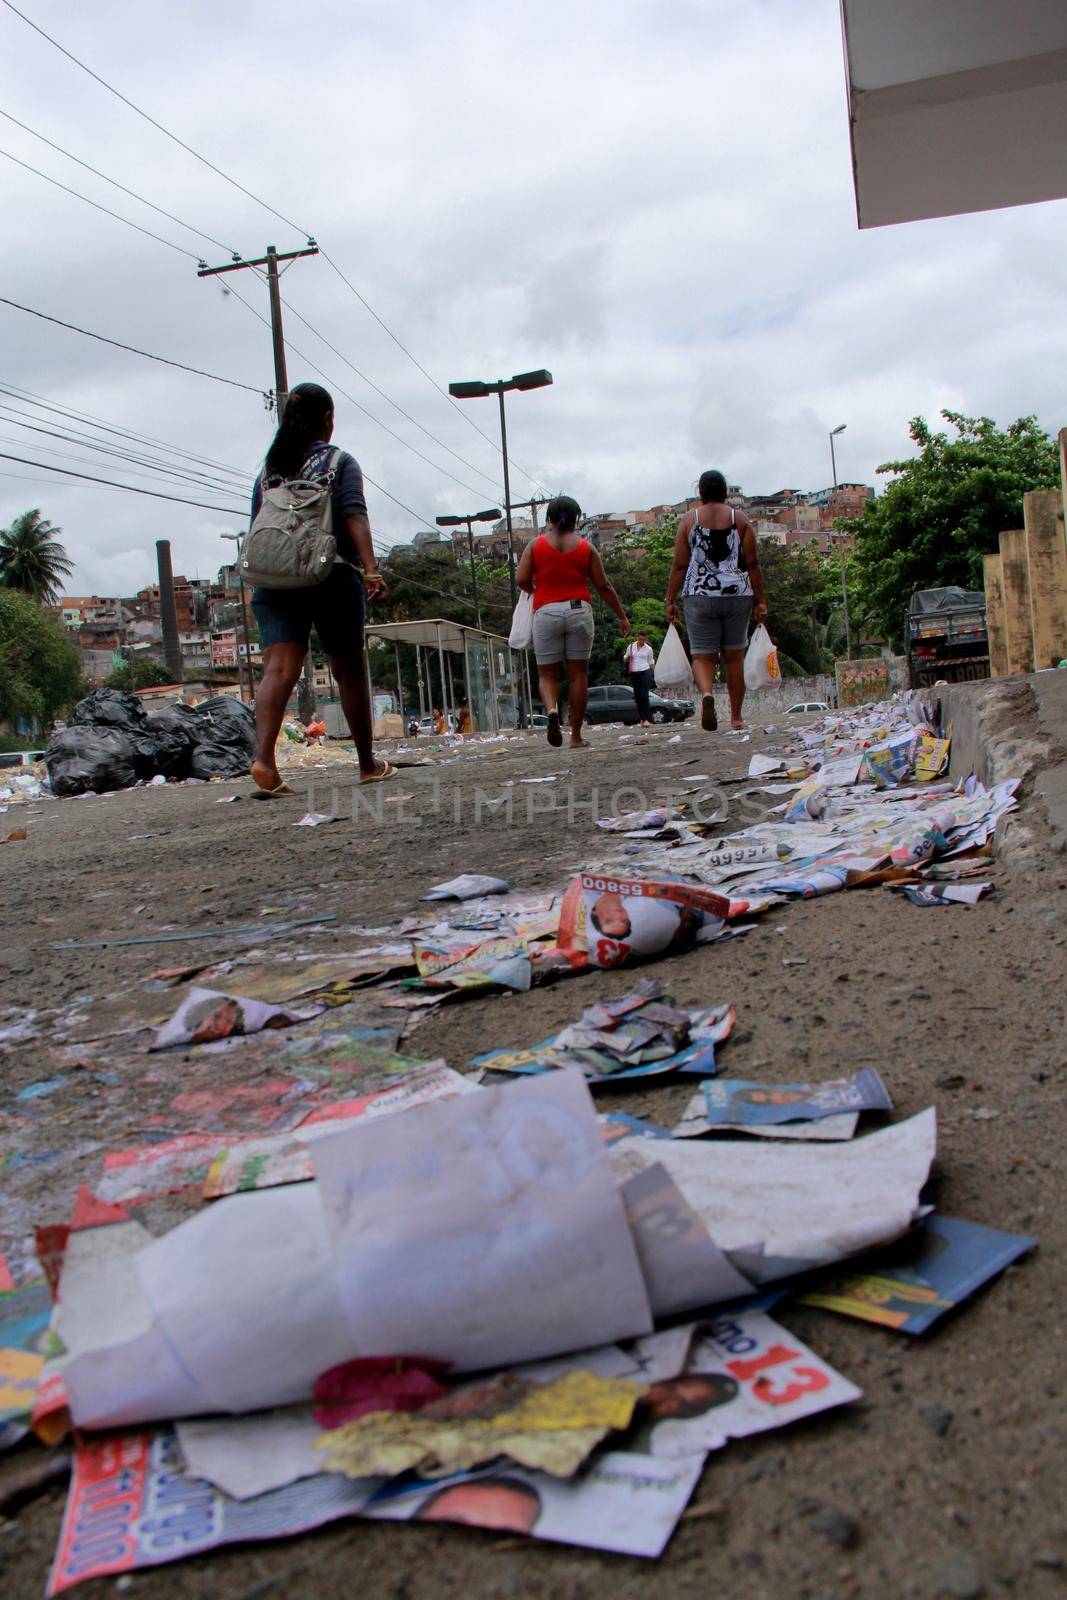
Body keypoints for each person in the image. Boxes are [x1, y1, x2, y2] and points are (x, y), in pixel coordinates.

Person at [247, 382, 396, 795]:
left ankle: (264, 760)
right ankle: (367, 764)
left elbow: (258, 530)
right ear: (328, 421)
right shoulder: (338, 462)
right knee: (349, 670)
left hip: (274, 579)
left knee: (278, 669)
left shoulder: (268, 472)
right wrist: (370, 570)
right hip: (331, 573)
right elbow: (354, 516)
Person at [516, 494, 631, 749]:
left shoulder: (535, 546)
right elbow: (603, 585)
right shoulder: (586, 547)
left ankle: (552, 710)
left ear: (549, 518)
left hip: (546, 612)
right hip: (579, 610)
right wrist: (621, 616)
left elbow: (521, 579)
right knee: (578, 674)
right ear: (576, 519)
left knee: (548, 674)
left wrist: (536, 588)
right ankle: (576, 736)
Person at [665, 470, 767, 732]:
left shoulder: (689, 520)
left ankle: (708, 694)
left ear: (700, 492)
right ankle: (736, 717)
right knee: (734, 657)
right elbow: (753, 563)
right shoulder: (740, 519)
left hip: (699, 595)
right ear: (725, 491)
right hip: (737, 595)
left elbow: (679, 564)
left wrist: (670, 598)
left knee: (702, 655)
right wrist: (761, 600)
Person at [622, 630, 656, 725]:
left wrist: (656, 672)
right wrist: (627, 656)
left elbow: (651, 661)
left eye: (643, 640)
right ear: (637, 637)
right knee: (637, 697)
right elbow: (625, 657)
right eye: (640, 639)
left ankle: (647, 719)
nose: (641, 641)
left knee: (644, 695)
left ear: (645, 639)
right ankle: (642, 718)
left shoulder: (648, 649)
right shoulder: (631, 646)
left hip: (645, 672)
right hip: (634, 673)